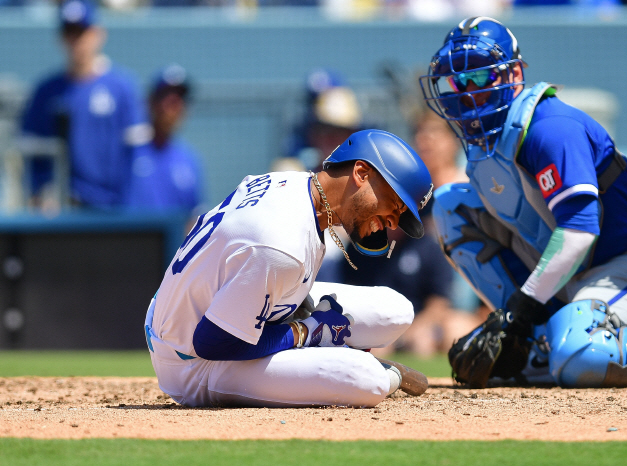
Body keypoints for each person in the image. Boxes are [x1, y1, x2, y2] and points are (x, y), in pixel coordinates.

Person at [420, 17, 627, 388]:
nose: (465, 92)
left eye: (478, 77)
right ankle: (534, 337)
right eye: (455, 81)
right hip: (578, 275)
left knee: (578, 350)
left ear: (512, 74)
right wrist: (513, 325)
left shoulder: (550, 127)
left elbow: (579, 233)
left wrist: (521, 307)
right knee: (449, 205)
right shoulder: (489, 146)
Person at [144, 129, 434, 407]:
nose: (394, 223)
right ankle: (342, 356)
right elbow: (213, 343)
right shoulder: (281, 242)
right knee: (369, 380)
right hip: (192, 359)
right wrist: (305, 332)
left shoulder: (293, 184)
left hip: (203, 302)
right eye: (394, 205)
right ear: (361, 173)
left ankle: (320, 346)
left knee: (397, 310)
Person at [338, 110, 479, 358]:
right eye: (420, 136)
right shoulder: (405, 191)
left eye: (434, 135)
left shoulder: (467, 190)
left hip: (459, 291)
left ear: (453, 142)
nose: (425, 143)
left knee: (452, 331)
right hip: (415, 290)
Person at [18, 0, 150, 210]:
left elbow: (139, 156)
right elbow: (33, 153)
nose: (76, 41)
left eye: (82, 32)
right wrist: (42, 193)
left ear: (98, 33)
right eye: (70, 32)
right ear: (61, 38)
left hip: (114, 209)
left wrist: (131, 206)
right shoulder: (46, 92)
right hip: (65, 210)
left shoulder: (121, 87)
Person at [125, 64, 205, 216]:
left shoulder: (190, 160)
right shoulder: (127, 151)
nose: (173, 105)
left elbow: (195, 218)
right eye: (166, 97)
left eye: (179, 98)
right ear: (151, 102)